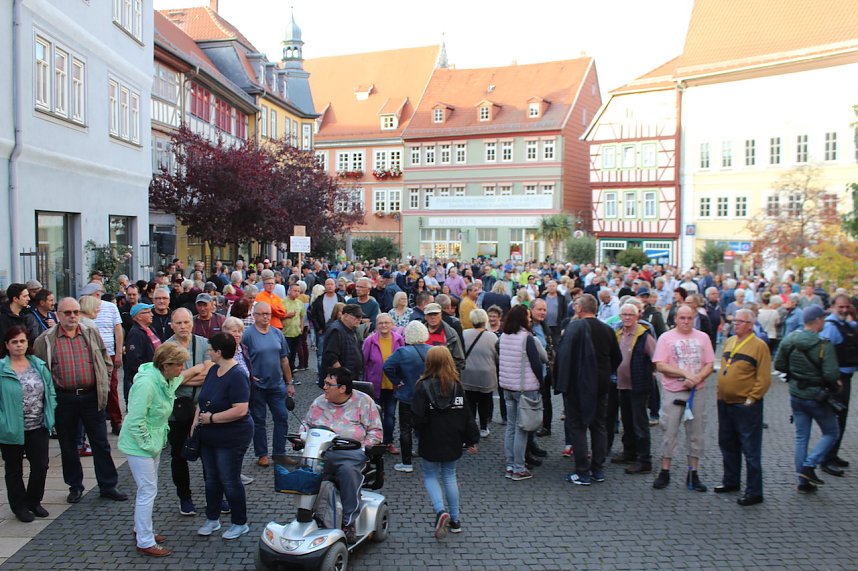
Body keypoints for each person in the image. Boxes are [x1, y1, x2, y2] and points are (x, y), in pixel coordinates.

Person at [32, 297, 127, 503]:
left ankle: (108, 485)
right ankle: (75, 486)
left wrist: (104, 380)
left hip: (91, 396)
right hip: (64, 399)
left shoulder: (90, 333)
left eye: (76, 312)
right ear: (58, 315)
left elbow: (105, 360)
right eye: (67, 313)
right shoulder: (45, 340)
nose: (73, 316)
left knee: (100, 442)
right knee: (68, 445)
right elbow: (39, 370)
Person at [119, 343, 192, 557]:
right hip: (141, 446)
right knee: (147, 491)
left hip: (152, 443)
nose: (181, 369)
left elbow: (186, 376)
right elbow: (135, 421)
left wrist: (205, 366)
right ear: (167, 365)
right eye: (179, 365)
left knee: (148, 489)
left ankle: (142, 530)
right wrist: (150, 445)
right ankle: (144, 540)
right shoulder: (147, 385)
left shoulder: (165, 378)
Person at [304, 366, 382, 543]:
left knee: (348, 471)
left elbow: (376, 432)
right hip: (322, 452)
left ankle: (348, 521)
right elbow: (305, 424)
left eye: (328, 384)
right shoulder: (319, 402)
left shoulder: (364, 402)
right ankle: (307, 514)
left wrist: (364, 448)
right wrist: (300, 437)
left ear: (342, 388)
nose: (324, 387)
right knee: (305, 471)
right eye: (324, 382)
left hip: (351, 453)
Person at [411, 346, 479, 540]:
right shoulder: (456, 385)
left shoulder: (422, 386)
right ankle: (456, 520)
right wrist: (472, 439)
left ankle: (441, 512)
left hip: (430, 437)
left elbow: (417, 417)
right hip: (453, 438)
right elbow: (467, 415)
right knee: (450, 476)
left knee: (430, 475)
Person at [554, 294, 621, 485]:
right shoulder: (607, 330)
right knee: (599, 426)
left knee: (578, 427)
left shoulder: (574, 328)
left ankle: (582, 471)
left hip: (577, 386)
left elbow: (563, 357)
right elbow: (617, 357)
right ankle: (598, 470)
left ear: (579, 308)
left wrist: (561, 384)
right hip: (601, 385)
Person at [775, 305, 842, 494]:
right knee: (831, 432)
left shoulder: (790, 339)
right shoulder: (823, 345)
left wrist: (795, 373)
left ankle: (803, 482)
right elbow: (831, 374)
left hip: (796, 394)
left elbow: (779, 363)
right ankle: (809, 465)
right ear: (818, 320)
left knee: (801, 437)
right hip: (817, 396)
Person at [194, 333, 253, 540]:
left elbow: (240, 410)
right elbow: (203, 401)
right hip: (209, 436)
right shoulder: (213, 370)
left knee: (229, 479)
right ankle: (213, 518)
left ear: (219, 352)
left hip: (232, 436)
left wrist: (212, 419)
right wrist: (195, 426)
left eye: (210, 348)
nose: (208, 351)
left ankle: (239, 522)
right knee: (211, 480)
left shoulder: (237, 375)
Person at [651, 304, 715, 491]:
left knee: (696, 432)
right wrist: (685, 374)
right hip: (673, 391)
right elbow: (660, 365)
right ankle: (665, 470)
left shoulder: (702, 337)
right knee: (669, 430)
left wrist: (696, 378)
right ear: (675, 319)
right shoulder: (666, 338)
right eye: (682, 318)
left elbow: (709, 364)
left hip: (697, 391)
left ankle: (693, 472)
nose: (686, 322)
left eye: (689, 318)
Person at [715, 309, 772, 506]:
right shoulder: (730, 341)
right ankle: (731, 481)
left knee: (750, 448)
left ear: (750, 324)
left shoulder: (759, 346)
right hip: (725, 402)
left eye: (740, 321)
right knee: (727, 443)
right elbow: (724, 368)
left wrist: (752, 398)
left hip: (745, 405)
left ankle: (754, 491)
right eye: (734, 321)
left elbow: (764, 377)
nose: (735, 324)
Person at [0, 326, 56, 522]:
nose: (19, 345)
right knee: (14, 469)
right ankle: (19, 506)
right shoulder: (1, 368)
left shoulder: (37, 365)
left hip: (38, 425)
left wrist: (51, 411)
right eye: (14, 342)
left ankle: (34, 501)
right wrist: (3, 422)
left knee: (40, 465)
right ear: (7, 345)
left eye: (22, 341)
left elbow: (49, 389)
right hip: (12, 428)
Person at [163, 308, 211, 516]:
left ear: (192, 323)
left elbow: (210, 372)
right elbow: (170, 379)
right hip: (178, 411)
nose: (183, 326)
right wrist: (197, 369)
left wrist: (184, 375)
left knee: (209, 455)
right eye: (179, 323)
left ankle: (214, 496)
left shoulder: (202, 343)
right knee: (178, 455)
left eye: (186, 322)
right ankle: (185, 497)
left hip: (201, 407)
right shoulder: (167, 347)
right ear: (172, 325)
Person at [242, 302, 294, 467]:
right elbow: (242, 359)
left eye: (268, 314)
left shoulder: (277, 334)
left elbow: (284, 359)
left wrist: (289, 382)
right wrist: (249, 377)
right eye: (262, 314)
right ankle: (262, 454)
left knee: (282, 417)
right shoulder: (248, 335)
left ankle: (279, 453)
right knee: (259, 420)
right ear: (254, 316)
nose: (265, 317)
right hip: (257, 386)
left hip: (277, 384)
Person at [498, 305, 546, 481]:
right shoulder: (527, 338)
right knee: (522, 429)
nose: (530, 319)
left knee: (511, 427)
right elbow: (537, 363)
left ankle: (510, 464)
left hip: (507, 387)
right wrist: (541, 383)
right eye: (528, 316)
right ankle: (519, 468)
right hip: (525, 388)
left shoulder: (503, 336)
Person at [611, 303, 656, 474]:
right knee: (627, 420)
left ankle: (644, 460)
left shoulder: (644, 335)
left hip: (639, 385)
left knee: (640, 423)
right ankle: (629, 452)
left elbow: (656, 358)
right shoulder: (618, 333)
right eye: (624, 314)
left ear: (637, 316)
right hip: (622, 384)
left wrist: (650, 374)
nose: (627, 317)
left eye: (631, 314)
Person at [383, 321, 432, 473]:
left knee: (405, 429)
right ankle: (428, 458)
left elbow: (387, 367)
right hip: (428, 396)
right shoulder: (433, 350)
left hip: (407, 395)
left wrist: (397, 381)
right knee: (427, 428)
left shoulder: (402, 352)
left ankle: (407, 462)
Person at [818, 293, 858, 476]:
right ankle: (826, 458)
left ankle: (832, 455)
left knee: (840, 418)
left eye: (846, 306)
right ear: (833, 306)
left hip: (844, 378)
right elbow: (824, 354)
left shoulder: (845, 324)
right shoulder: (831, 327)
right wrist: (833, 378)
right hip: (837, 380)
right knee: (835, 419)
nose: (844, 309)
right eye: (840, 307)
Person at [362, 314, 404, 455]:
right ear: (377, 325)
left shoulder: (399, 340)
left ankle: (388, 442)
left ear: (392, 324)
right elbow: (364, 362)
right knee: (376, 416)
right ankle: (376, 441)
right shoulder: (370, 341)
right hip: (375, 385)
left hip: (393, 384)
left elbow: (402, 360)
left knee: (390, 416)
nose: (384, 325)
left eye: (387, 323)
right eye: (381, 323)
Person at [461, 309, 498, 438]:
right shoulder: (492, 337)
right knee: (485, 402)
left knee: (470, 402)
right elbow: (497, 357)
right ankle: (483, 427)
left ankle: (471, 427)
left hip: (468, 374)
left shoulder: (464, 334)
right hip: (487, 375)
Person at [320, 304, 364, 387]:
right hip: (340, 381)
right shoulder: (336, 330)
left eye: (360, 317)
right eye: (356, 317)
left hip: (351, 376)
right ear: (346, 316)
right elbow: (331, 356)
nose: (359, 319)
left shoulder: (352, 329)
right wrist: (343, 376)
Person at [123, 303, 160, 402]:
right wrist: (147, 376)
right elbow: (135, 361)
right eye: (148, 312)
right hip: (146, 380)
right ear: (139, 316)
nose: (151, 314)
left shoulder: (150, 328)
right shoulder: (135, 334)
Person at [422, 303, 465, 372]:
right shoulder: (420, 333)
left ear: (441, 315)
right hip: (424, 374)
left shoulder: (451, 333)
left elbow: (459, 359)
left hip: (445, 375)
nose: (433, 317)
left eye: (435, 314)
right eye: (430, 314)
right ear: (425, 317)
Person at [281, 283, 306, 374]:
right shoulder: (283, 302)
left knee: (293, 355)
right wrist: (287, 315)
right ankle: (285, 376)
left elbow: (302, 316)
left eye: (298, 291)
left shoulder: (300, 303)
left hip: (296, 333)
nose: (297, 293)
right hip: (285, 333)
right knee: (286, 355)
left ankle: (291, 375)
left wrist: (302, 328)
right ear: (289, 291)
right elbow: (278, 316)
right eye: (295, 291)